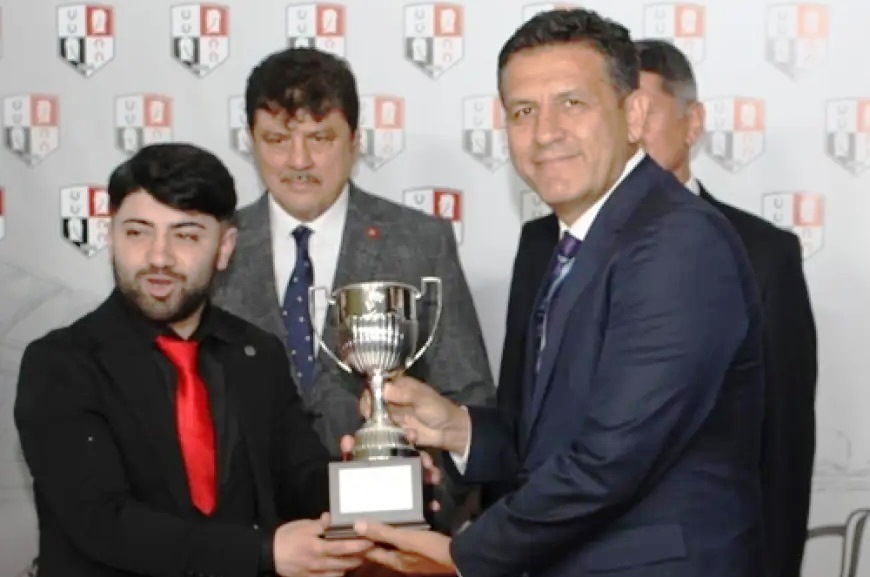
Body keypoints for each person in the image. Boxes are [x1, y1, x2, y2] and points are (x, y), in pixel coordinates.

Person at [353, 8, 766, 577]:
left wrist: (464, 555)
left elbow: (612, 458)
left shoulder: (677, 241)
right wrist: (456, 427)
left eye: (572, 103)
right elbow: (555, 438)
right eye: (524, 111)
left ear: (634, 115)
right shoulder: (571, 241)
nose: (545, 132)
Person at [13, 143, 373, 577]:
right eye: (138, 232)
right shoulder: (60, 364)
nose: (158, 257)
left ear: (225, 247)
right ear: (111, 236)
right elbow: (103, 522)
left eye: (185, 235)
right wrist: (263, 552)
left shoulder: (256, 353)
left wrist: (381, 486)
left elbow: (302, 478)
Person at [211, 47, 496, 533]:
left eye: (320, 138)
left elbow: (468, 398)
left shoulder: (419, 241)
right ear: (250, 142)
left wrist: (427, 507)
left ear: (355, 141)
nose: (298, 160)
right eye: (277, 139)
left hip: (389, 540)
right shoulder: (217, 247)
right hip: (250, 543)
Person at [634, 38, 818, 577]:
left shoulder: (763, 253)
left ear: (692, 123)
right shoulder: (548, 244)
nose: (629, 133)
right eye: (616, 114)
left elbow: (783, 444)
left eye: (644, 112)